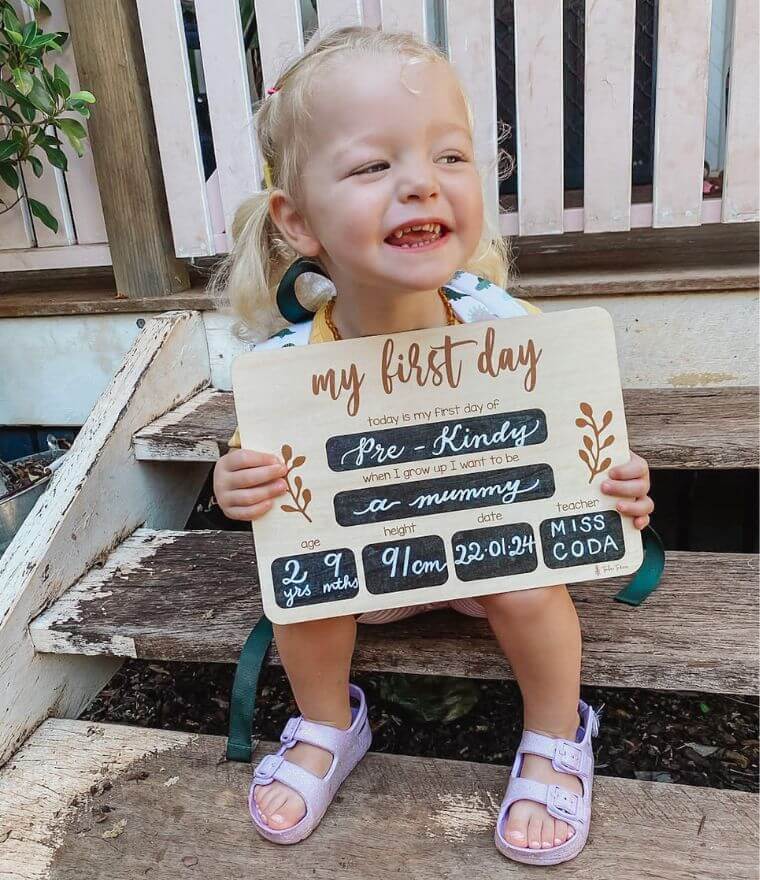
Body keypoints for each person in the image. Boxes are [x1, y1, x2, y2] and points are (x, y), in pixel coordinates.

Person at [211, 26, 653, 866]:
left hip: (487, 564)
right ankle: (327, 723)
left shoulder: (513, 333)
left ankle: (557, 734)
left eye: (450, 157)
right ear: (297, 220)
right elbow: (264, 478)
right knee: (302, 592)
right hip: (370, 574)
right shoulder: (284, 373)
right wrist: (237, 485)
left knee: (528, 586)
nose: (420, 184)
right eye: (374, 166)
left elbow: (578, 453)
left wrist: (619, 484)